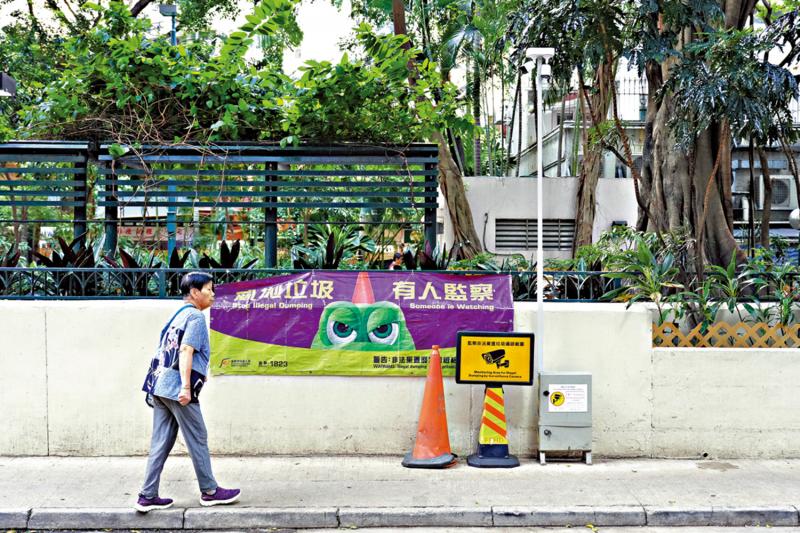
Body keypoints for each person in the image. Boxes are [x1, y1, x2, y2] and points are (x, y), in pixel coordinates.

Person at [135, 272, 240, 512]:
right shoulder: (195, 318)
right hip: (178, 389)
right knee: (197, 436)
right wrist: (185, 387)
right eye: (209, 289)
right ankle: (210, 491)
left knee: (161, 442)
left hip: (161, 386)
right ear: (194, 292)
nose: (213, 294)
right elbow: (185, 351)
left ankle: (147, 495)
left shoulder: (177, 315)